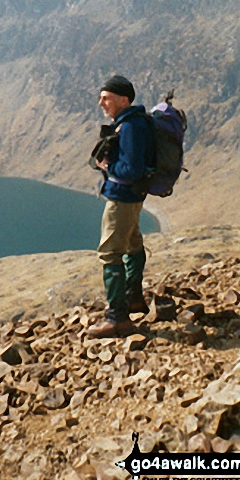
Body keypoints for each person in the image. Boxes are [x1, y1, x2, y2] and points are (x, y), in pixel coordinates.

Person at [88, 75, 155, 338]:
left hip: (123, 198)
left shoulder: (130, 127)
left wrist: (108, 166)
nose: (101, 102)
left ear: (124, 100)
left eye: (106, 98)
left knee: (110, 253)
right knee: (133, 243)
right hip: (132, 197)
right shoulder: (130, 123)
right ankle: (134, 298)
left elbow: (132, 168)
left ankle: (117, 318)